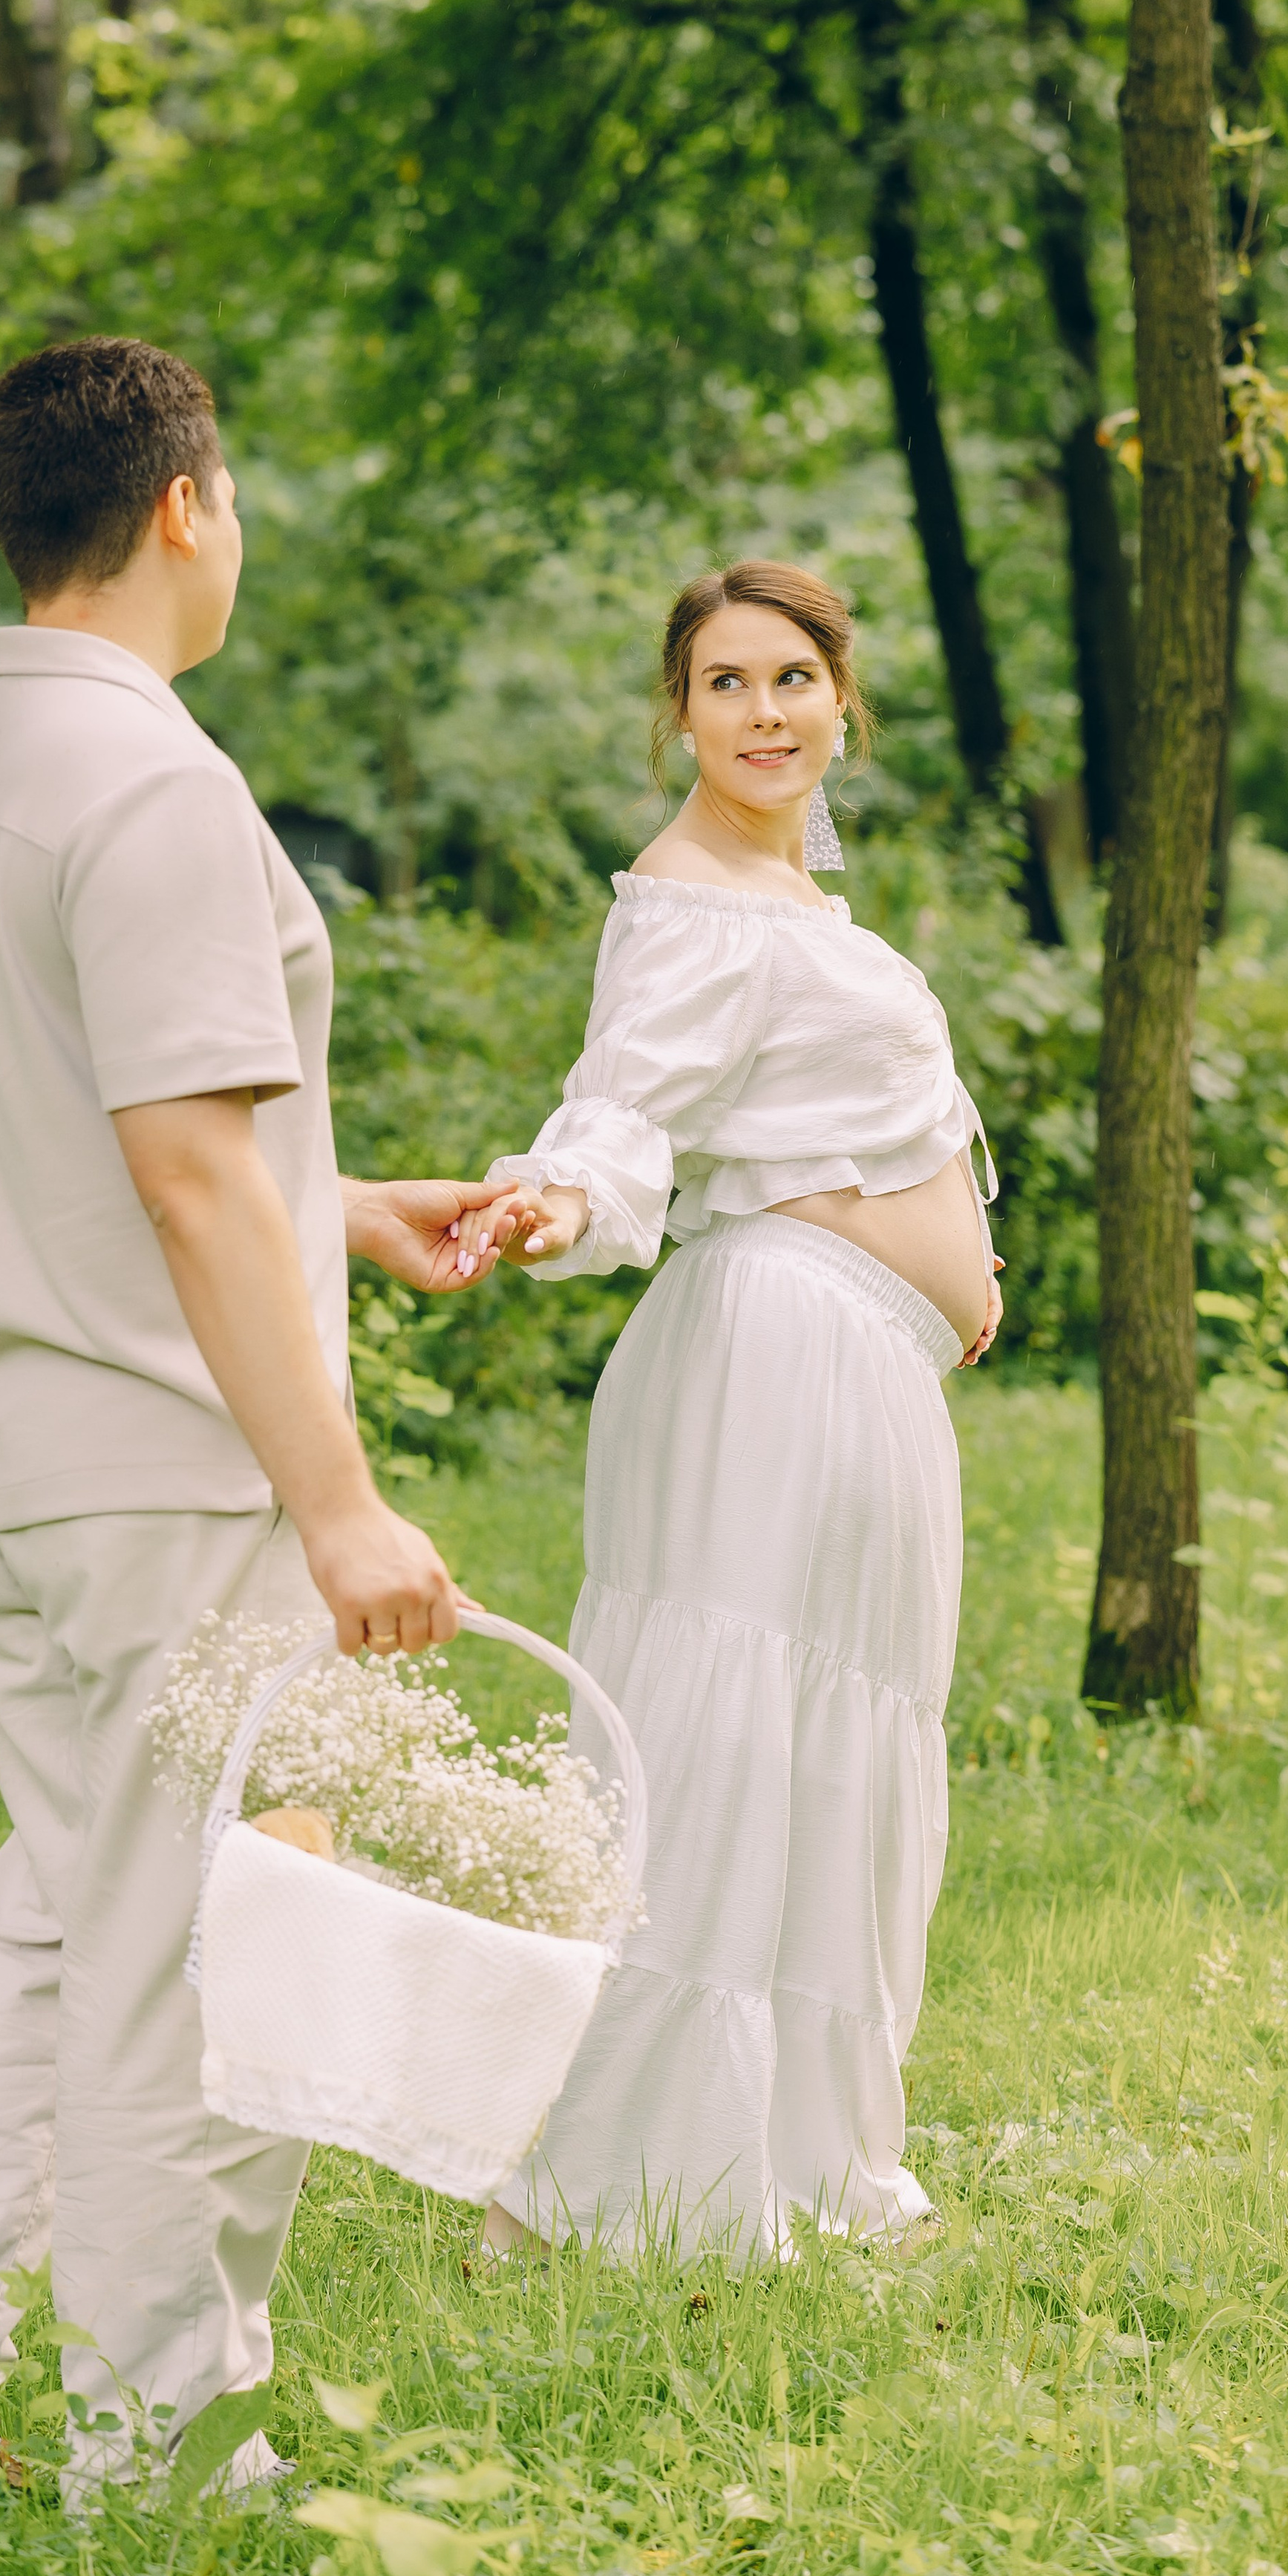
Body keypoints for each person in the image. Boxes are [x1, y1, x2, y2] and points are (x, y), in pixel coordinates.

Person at [0, 336, 500, 2496]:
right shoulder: (160, 784)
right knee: (200, 1947)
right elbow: (183, 1175)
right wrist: (339, 1502)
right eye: (238, 494)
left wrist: (339, 1201)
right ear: (185, 504)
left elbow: (99, 1125)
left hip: (15, 1461)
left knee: (52, 1913)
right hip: (173, 1476)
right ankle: (166, 2438)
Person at [456, 562, 1002, 2265]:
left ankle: (800, 2153)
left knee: (825, 1761)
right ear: (677, 713)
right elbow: (623, 1107)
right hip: (772, 1359)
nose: (762, 712)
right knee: (722, 1749)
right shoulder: (688, 902)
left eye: (790, 678)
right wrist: (559, 1196)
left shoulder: (794, 902)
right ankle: (605, 2182)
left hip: (853, 1367)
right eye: (722, 682)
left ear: (841, 698)